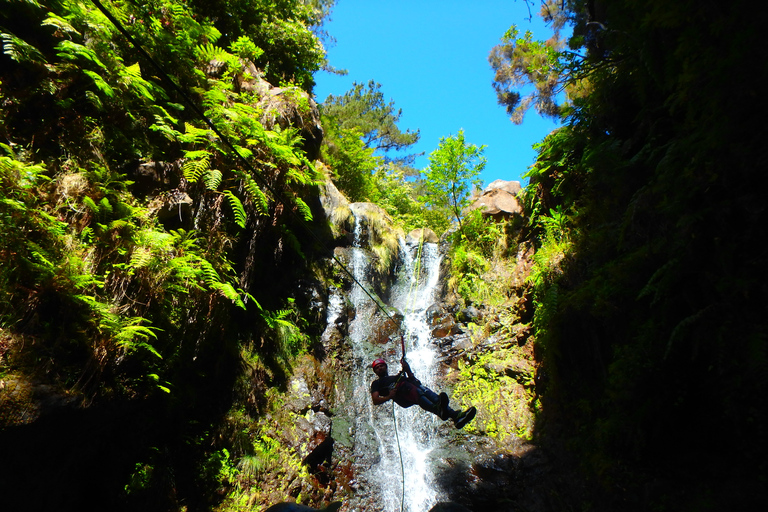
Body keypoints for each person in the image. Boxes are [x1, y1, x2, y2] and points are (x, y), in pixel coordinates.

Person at [370, 357, 476, 429]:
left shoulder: (396, 377)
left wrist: (407, 369)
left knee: (426, 392)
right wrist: (389, 396)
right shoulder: (377, 383)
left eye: (381, 366)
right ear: (375, 372)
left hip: (413, 389)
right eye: (377, 368)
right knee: (417, 393)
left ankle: (456, 416)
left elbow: (413, 380)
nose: (379, 368)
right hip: (404, 394)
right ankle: (439, 411)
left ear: (386, 366)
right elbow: (375, 400)